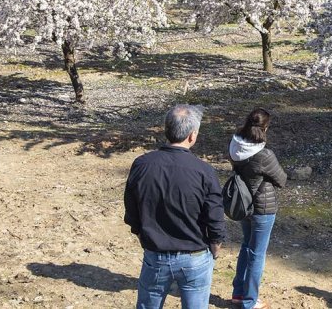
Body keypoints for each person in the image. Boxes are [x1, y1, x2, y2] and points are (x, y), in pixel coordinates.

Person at [123, 104, 226, 309]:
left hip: (156, 253)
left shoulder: (142, 164)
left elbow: (131, 205)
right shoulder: (204, 171)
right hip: (195, 256)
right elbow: (215, 215)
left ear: (166, 130)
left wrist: (141, 233)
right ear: (192, 135)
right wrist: (216, 245)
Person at [230, 108, 287, 309]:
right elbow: (282, 179)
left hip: (243, 204)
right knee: (257, 254)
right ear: (265, 128)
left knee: (246, 246)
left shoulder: (235, 143)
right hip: (263, 209)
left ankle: (238, 293)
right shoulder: (264, 154)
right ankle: (249, 301)